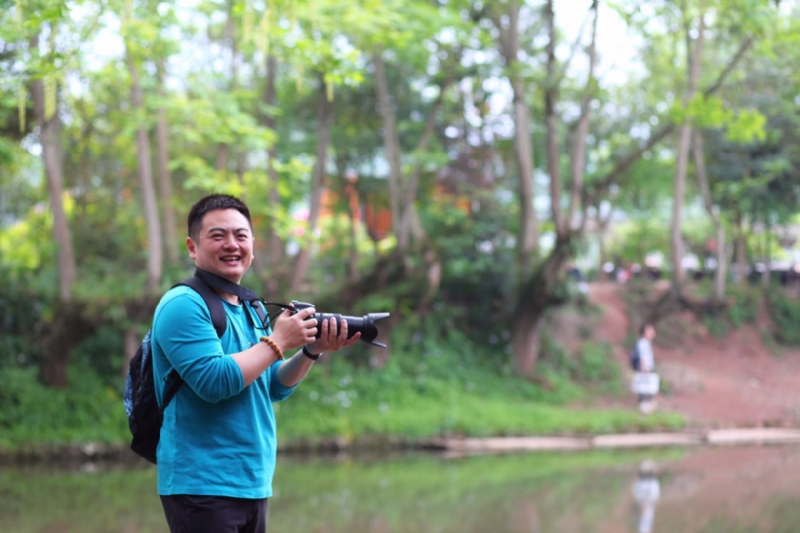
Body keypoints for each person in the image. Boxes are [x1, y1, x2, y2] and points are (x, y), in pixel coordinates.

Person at [151, 193, 360, 533]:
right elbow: (215, 382)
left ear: (252, 244)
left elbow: (271, 385)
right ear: (192, 247)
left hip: (253, 483)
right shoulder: (182, 305)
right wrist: (278, 341)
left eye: (241, 235)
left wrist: (311, 350)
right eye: (218, 236)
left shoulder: (252, 307)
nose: (232, 244)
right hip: (202, 486)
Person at [635, 323, 658, 413]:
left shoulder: (646, 342)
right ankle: (644, 407)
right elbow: (642, 357)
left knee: (647, 387)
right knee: (644, 387)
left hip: (646, 369)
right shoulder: (643, 343)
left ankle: (646, 406)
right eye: (650, 331)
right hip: (645, 370)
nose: (652, 333)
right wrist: (645, 368)